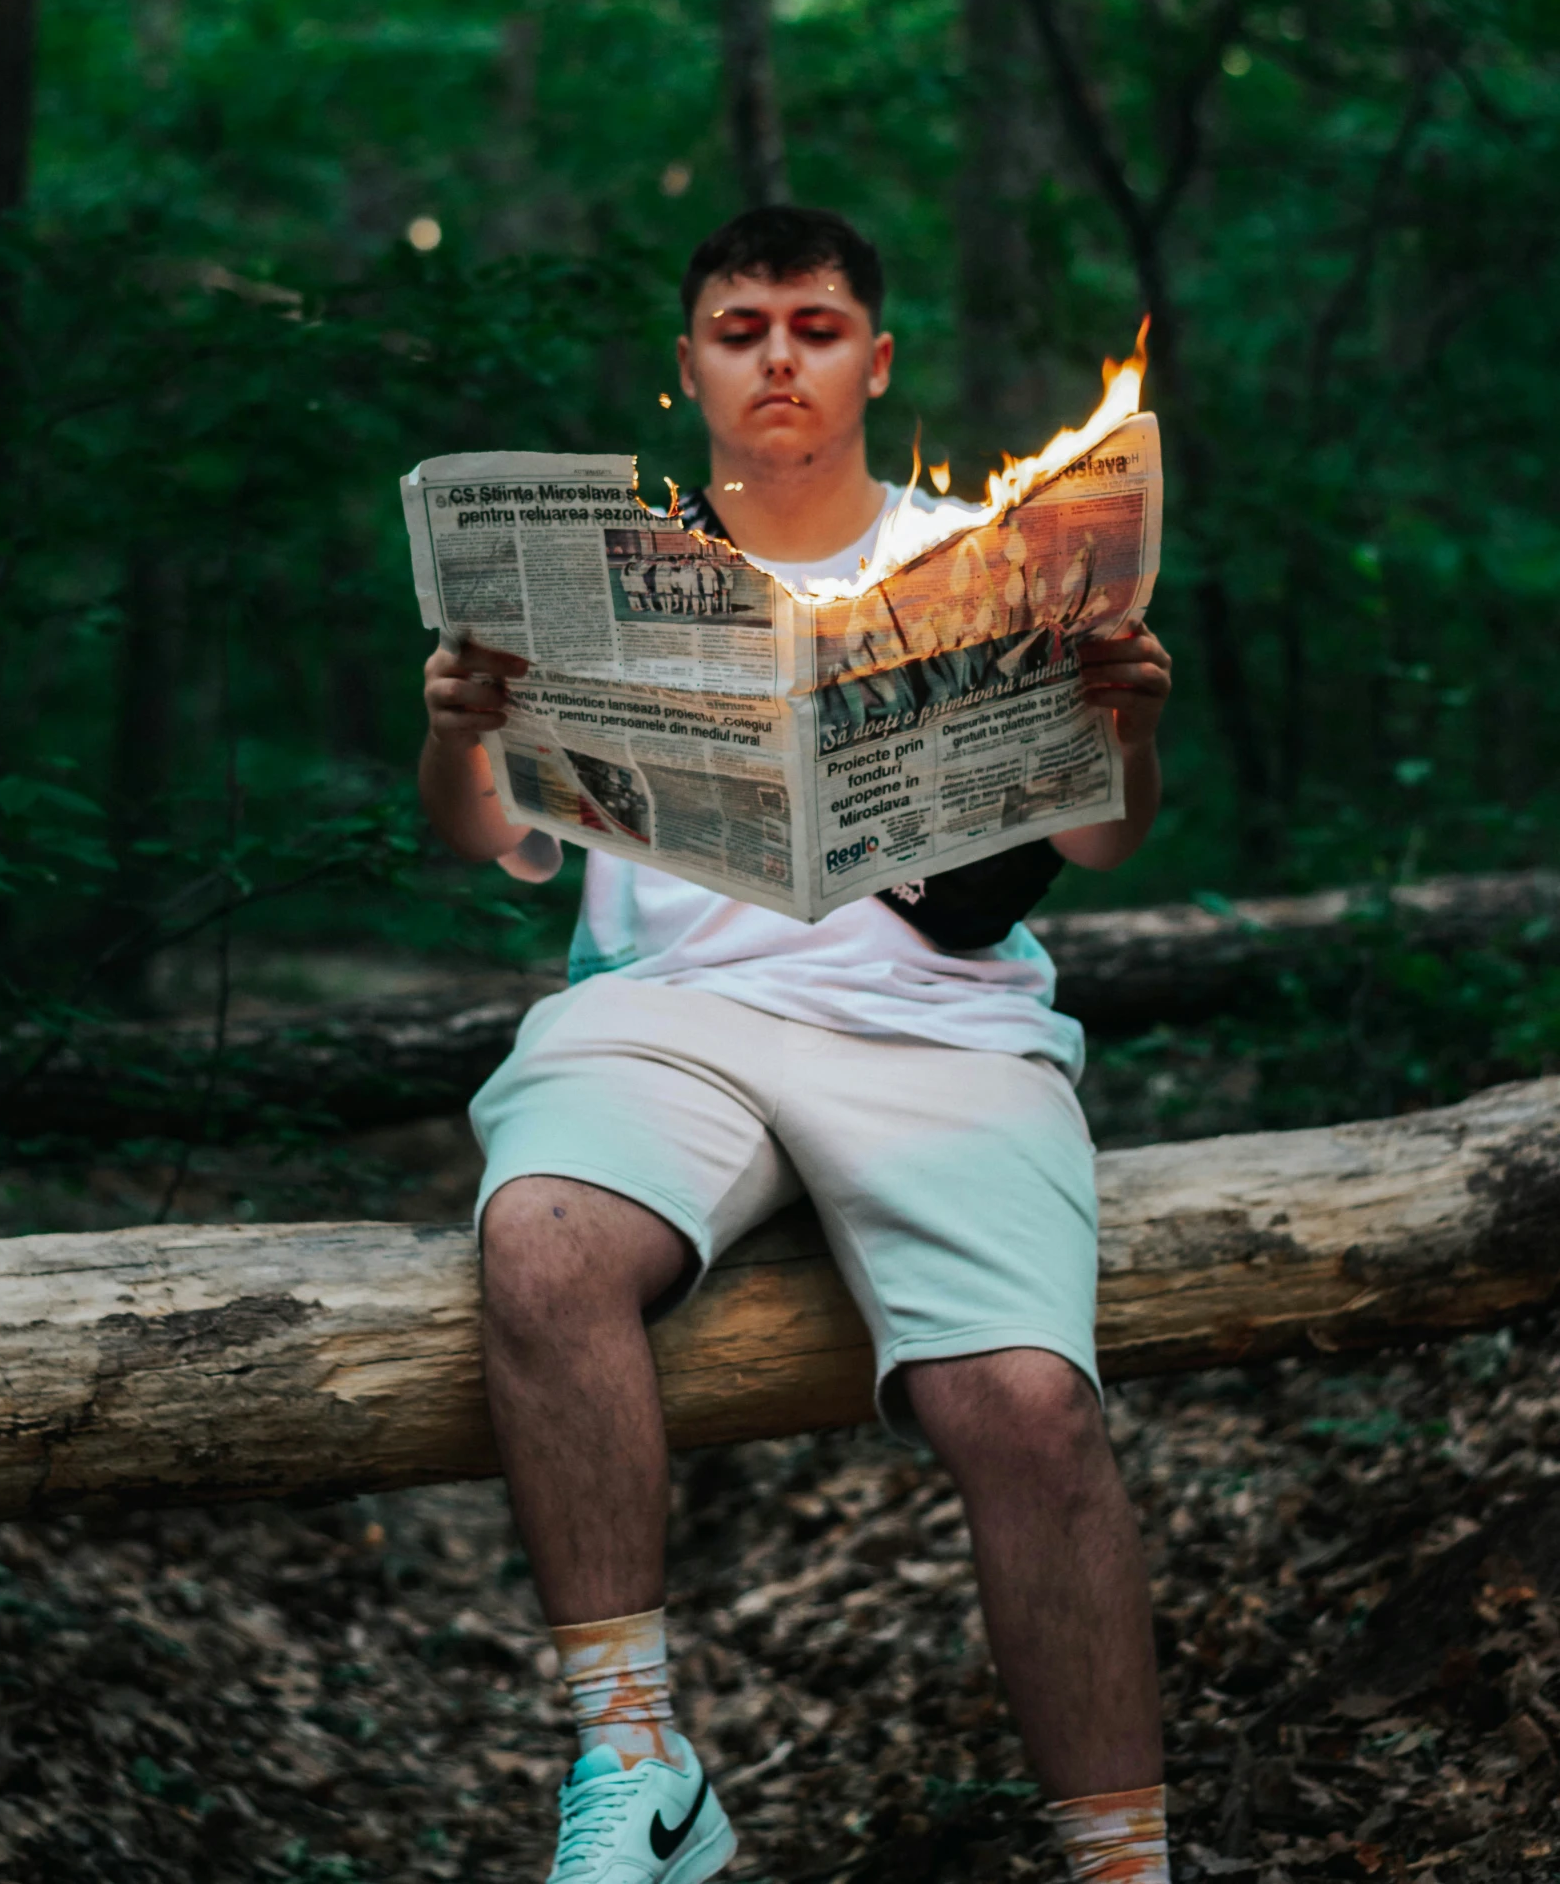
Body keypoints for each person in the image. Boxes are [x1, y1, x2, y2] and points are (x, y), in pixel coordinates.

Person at [419, 205, 1175, 1884]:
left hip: (936, 1032)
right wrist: (453, 733)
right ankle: (637, 1762)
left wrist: (1128, 720)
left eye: (815, 325)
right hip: (663, 1024)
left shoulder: (980, 558)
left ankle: (1125, 1866)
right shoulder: (613, 572)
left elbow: (1108, 847)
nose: (778, 354)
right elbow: (490, 842)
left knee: (1029, 1406)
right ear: (686, 364)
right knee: (542, 1241)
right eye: (740, 325)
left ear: (873, 358)